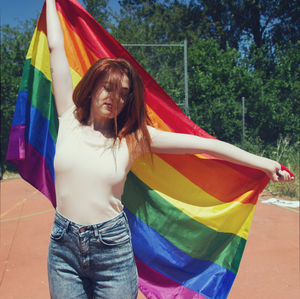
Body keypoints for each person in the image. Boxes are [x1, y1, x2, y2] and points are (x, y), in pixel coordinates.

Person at [46, 0, 293, 298]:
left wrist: (262, 163)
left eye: (124, 93)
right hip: (63, 249)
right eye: (108, 88)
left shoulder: (133, 138)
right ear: (93, 85)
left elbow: (202, 145)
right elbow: (55, 49)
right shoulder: (67, 118)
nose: (115, 98)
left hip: (111, 250)